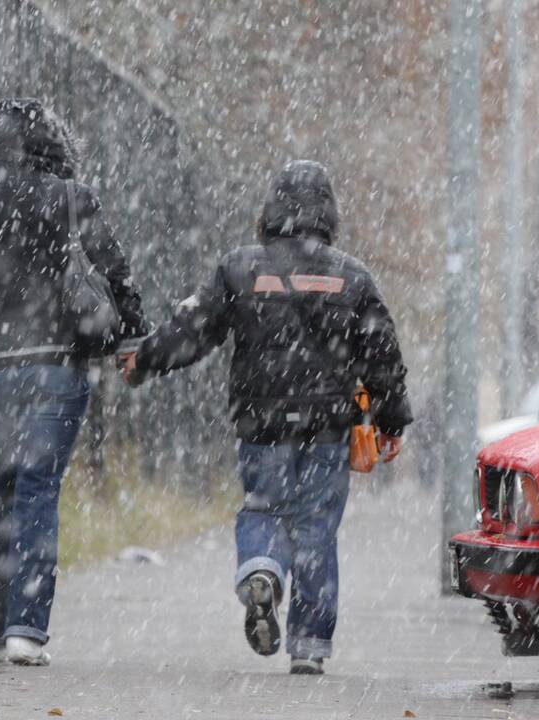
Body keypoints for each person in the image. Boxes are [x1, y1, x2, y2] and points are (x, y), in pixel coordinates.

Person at [121, 160, 412, 675]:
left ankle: (262, 571)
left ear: (272, 208)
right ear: (329, 214)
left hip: (261, 422)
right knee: (317, 527)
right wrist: (392, 420)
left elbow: (195, 328)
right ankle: (309, 646)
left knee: (263, 509)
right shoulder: (352, 276)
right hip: (328, 426)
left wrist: (145, 357)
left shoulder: (241, 268)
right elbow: (382, 354)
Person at [0, 98, 148, 666]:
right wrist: (134, 340)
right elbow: (114, 274)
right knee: (39, 489)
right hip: (55, 365)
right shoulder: (70, 199)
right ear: (55, 146)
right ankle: (26, 628)